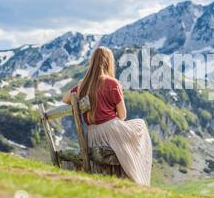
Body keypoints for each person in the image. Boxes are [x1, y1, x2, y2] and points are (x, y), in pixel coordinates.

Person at [63, 46, 152, 186]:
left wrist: (81, 86)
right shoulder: (112, 83)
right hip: (111, 131)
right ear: (108, 62)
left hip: (93, 134)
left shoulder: (83, 85)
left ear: (92, 63)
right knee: (140, 125)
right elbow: (122, 115)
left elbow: (65, 99)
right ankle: (139, 177)